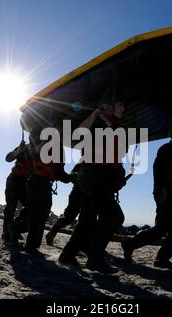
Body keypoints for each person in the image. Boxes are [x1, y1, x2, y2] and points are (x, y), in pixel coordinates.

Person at [59, 102, 128, 274]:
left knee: (87, 221)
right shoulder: (95, 123)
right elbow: (79, 134)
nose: (120, 108)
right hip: (93, 176)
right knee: (114, 216)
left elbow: (120, 151)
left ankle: (67, 255)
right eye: (116, 106)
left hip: (102, 177)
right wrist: (97, 113)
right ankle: (95, 258)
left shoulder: (116, 127)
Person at [121, 127, 172, 268]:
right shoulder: (166, 149)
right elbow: (158, 169)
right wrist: (161, 190)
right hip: (165, 193)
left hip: (169, 192)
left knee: (160, 230)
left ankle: (129, 245)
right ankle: (161, 259)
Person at [24, 129, 72, 253]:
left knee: (40, 214)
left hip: (40, 183)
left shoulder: (56, 149)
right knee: (37, 214)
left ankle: (28, 240)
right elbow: (60, 173)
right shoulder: (43, 144)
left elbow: (60, 172)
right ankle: (31, 244)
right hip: (37, 182)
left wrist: (71, 177)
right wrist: (71, 178)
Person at [45, 163, 81, 246]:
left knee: (88, 219)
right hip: (77, 193)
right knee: (68, 217)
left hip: (90, 195)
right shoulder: (81, 164)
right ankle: (51, 234)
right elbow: (71, 177)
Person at [2, 140, 30, 246]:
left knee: (30, 207)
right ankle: (6, 232)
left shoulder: (43, 152)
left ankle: (14, 228)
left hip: (26, 184)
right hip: (14, 180)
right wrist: (18, 150)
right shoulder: (24, 147)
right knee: (11, 206)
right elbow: (8, 158)